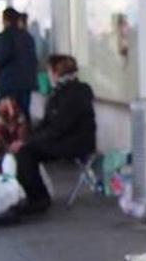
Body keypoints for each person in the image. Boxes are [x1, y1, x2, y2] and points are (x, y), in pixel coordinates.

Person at [11, 55, 95, 214]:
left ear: (56, 73)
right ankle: (33, 195)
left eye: (49, 71)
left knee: (26, 153)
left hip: (75, 142)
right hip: (65, 139)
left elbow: (58, 127)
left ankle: (38, 198)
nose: (47, 75)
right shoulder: (61, 92)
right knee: (25, 149)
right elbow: (48, 124)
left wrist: (28, 142)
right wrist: (26, 139)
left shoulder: (73, 94)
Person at [0, 8, 38, 118]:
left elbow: (1, 59)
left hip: (9, 82)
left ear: (5, 20)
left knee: (8, 115)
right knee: (24, 113)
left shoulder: (5, 37)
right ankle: (26, 134)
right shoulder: (28, 37)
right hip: (27, 81)